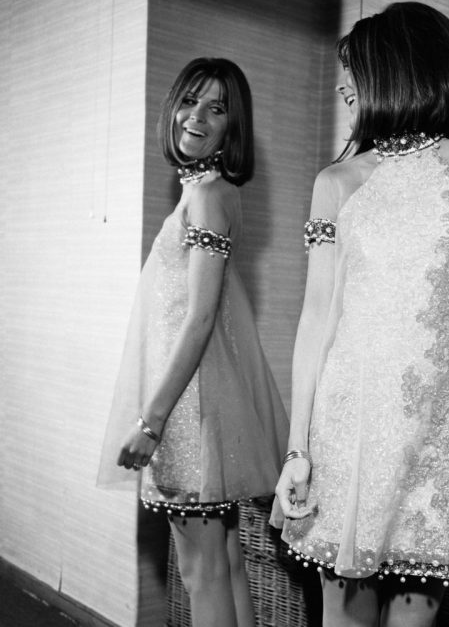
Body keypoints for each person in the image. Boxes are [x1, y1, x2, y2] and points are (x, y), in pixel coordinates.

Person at [274, 3, 449, 627]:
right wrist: (298, 448)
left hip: (442, 437)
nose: (343, 88)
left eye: (354, 72)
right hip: (347, 429)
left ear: (398, 68)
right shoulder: (337, 182)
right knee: (343, 617)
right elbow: (316, 317)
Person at [98, 57, 289, 627]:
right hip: (202, 404)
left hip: (185, 413)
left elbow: (201, 318)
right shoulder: (210, 191)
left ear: (234, 127)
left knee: (200, 573)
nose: (196, 116)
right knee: (224, 565)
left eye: (217, 108)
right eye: (189, 101)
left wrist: (151, 421)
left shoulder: (206, 196)